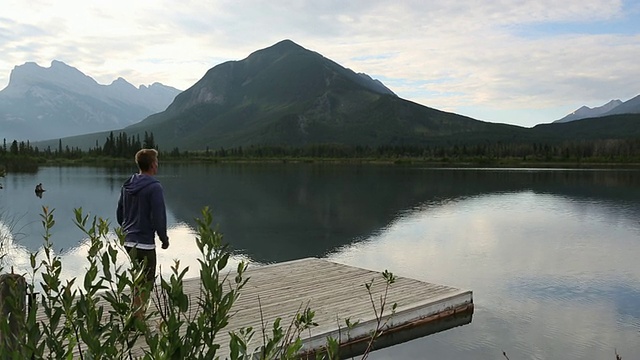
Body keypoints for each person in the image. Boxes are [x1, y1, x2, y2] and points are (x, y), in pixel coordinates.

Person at [116, 148, 169, 322]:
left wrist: (126, 228)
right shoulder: (154, 187)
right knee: (146, 282)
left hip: (128, 241)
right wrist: (164, 238)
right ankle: (137, 321)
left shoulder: (128, 184)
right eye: (157, 162)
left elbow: (119, 212)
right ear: (153, 165)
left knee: (136, 280)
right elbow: (159, 216)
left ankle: (134, 316)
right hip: (145, 243)